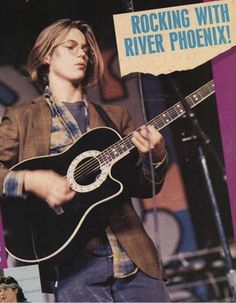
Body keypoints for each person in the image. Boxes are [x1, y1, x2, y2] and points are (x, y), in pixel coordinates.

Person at [0, 19, 169, 302]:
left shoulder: (115, 118)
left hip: (133, 260)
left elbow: (144, 185)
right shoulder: (21, 119)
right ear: (45, 56)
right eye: (71, 46)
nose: (82, 53)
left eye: (86, 49)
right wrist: (30, 179)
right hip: (73, 270)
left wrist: (157, 155)